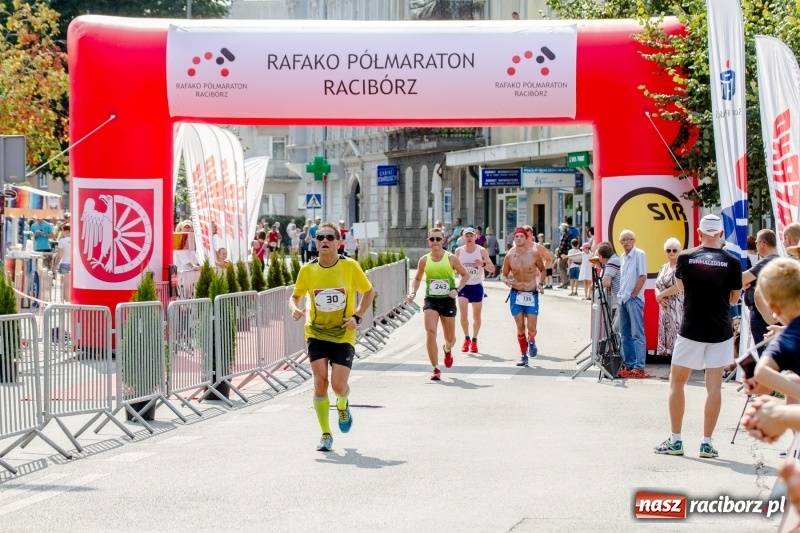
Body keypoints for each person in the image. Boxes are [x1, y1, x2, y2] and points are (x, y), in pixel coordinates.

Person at [655, 214, 742, 458]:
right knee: (714, 387)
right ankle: (706, 443)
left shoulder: (685, 257)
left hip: (691, 328)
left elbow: (681, 287)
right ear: (721, 234)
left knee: (677, 383)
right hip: (720, 330)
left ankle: (676, 440)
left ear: (699, 232)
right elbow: (734, 298)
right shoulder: (732, 261)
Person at [289, 222, 375, 452]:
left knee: (338, 385)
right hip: (316, 332)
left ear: (338, 242)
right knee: (320, 382)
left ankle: (343, 403)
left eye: (329, 237)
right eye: (320, 237)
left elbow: (369, 291)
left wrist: (357, 316)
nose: (324, 241)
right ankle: (326, 433)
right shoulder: (307, 270)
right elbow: (295, 296)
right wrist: (294, 308)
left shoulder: (350, 266)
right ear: (315, 243)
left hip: (343, 332)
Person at [407, 227, 469, 380]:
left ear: (443, 241)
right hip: (431, 300)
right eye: (432, 239)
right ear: (428, 241)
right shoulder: (424, 260)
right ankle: (435, 368)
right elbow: (417, 278)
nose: (435, 242)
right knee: (430, 333)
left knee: (450, 338)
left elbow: (465, 275)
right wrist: (413, 292)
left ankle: (447, 350)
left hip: (448, 300)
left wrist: (456, 289)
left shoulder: (451, 258)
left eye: (438, 239)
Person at [744, 258, 800, 402]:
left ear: (773, 309)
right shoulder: (790, 334)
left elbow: (761, 372)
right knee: (793, 380)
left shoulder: (788, 338)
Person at [502, 228, 545, 367]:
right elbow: (503, 274)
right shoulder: (509, 256)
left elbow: (543, 270)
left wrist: (541, 284)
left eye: (522, 236)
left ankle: (531, 340)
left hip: (531, 293)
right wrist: (506, 280)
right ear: (514, 239)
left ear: (526, 238)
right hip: (516, 293)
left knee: (531, 328)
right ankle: (523, 355)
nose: (519, 238)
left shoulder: (534, 254)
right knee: (520, 326)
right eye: (517, 236)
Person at [455, 227, 495, 354]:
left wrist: (482, 264)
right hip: (463, 286)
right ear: (463, 238)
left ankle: (474, 340)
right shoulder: (458, 251)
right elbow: (452, 268)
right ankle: (466, 338)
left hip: (477, 286)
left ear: (475, 237)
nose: (469, 238)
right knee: (463, 315)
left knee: (476, 317)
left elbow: (492, 269)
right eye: (466, 236)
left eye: (471, 236)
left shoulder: (481, 251)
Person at [742, 229, 780, 353]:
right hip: (772, 312)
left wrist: (744, 283)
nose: (756, 246)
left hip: (762, 314)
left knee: (765, 352)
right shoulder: (779, 260)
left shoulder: (767, 261)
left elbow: (742, 279)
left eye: (756, 242)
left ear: (763, 243)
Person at [617, 229, 648, 377]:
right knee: (625, 334)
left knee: (637, 333)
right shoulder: (622, 257)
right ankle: (629, 365)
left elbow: (642, 277)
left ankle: (639, 366)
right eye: (623, 239)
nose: (626, 242)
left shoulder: (639, 254)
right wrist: (622, 296)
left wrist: (634, 295)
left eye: (628, 239)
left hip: (633, 299)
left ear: (634, 240)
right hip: (623, 298)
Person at [654, 238, 684, 358]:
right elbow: (657, 285)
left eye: (674, 250)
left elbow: (679, 287)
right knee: (666, 335)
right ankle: (671, 365)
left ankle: (678, 365)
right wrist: (659, 297)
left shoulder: (681, 267)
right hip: (664, 307)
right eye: (668, 250)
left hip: (676, 306)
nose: (671, 252)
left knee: (676, 334)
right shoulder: (663, 267)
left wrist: (661, 295)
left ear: (679, 251)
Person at [596, 242, 621, 334]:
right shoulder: (617, 259)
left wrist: (597, 285)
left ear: (601, 256)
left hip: (622, 301)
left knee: (615, 332)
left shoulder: (612, 262)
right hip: (624, 300)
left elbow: (606, 282)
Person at [53, 224, 71, 302]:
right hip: (74, 265)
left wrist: (55, 265)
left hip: (65, 264)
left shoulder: (62, 241)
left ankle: (66, 302)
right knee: (72, 286)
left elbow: (59, 255)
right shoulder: (76, 240)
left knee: (66, 286)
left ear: (66, 231)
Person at [556, 224, 571, 289]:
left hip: (563, 255)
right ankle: (563, 283)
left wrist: (558, 253)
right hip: (565, 254)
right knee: (563, 268)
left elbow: (562, 246)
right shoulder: (567, 235)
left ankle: (565, 282)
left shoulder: (564, 236)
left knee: (560, 268)